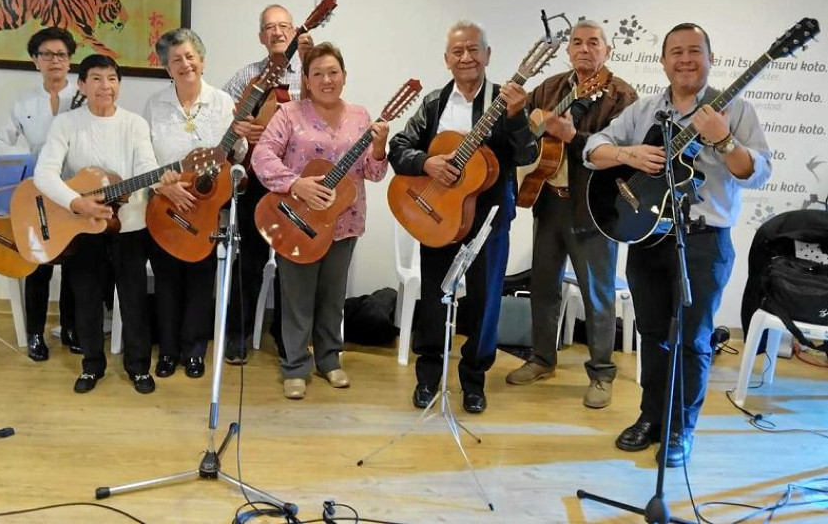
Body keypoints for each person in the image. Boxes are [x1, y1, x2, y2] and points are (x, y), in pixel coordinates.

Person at [585, 22, 772, 465]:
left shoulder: (736, 109)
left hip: (704, 242)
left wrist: (722, 139)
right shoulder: (646, 109)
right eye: (676, 52)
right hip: (648, 237)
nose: (685, 59)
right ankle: (650, 417)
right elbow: (593, 148)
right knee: (652, 335)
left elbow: (757, 172)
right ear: (664, 61)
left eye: (695, 51)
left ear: (711, 58)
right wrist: (629, 154)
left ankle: (679, 429)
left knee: (693, 340)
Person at [388, 20, 537, 414]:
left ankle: (474, 379)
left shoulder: (507, 101)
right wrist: (427, 163)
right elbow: (398, 148)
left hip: (489, 219)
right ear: (447, 59)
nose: (466, 57)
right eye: (458, 51)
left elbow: (528, 155)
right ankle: (428, 376)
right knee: (435, 299)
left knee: (486, 301)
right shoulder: (435, 103)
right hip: (437, 214)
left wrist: (519, 118)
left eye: (474, 49)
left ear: (488, 55)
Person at [506, 20, 638, 408]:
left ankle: (601, 373)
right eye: (577, 42)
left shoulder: (622, 97)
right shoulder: (550, 88)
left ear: (608, 50)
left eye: (593, 43)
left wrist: (573, 138)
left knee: (597, 295)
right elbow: (522, 132)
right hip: (548, 201)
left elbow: (624, 155)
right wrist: (521, 120)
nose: (584, 49)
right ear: (567, 51)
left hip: (594, 210)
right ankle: (542, 358)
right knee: (544, 287)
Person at [251, 42, 389, 399]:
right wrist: (296, 184)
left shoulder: (360, 116)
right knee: (296, 296)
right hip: (296, 219)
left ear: (344, 76)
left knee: (332, 296)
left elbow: (373, 173)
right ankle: (295, 365)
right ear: (307, 81)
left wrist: (378, 147)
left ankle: (329, 359)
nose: (327, 79)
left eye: (333, 72)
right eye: (318, 73)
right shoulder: (288, 114)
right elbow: (262, 156)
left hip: (344, 222)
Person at [34, 54, 174, 394]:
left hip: (130, 227)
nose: (105, 86)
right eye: (96, 78)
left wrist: (161, 180)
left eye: (112, 79)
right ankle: (91, 365)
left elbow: (145, 164)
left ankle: (138, 367)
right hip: (82, 227)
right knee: (86, 298)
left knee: (134, 299)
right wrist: (77, 202)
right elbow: (44, 173)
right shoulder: (66, 124)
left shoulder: (135, 124)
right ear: (81, 85)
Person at [143, 28, 242, 379]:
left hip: (207, 206)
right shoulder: (154, 105)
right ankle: (168, 351)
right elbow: (145, 157)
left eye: (190, 57)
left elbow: (237, 156)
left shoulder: (223, 103)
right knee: (167, 280)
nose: (184, 64)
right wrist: (163, 185)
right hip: (166, 205)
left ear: (202, 60)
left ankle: (194, 350)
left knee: (202, 279)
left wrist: (240, 140)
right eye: (175, 60)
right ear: (166, 68)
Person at [221, 5, 308, 365]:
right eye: (269, 27)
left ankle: (287, 336)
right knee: (251, 261)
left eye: (283, 26)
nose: (277, 32)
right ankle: (238, 335)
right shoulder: (247, 77)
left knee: (293, 262)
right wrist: (240, 127)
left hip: (297, 182)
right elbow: (223, 118)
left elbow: (325, 114)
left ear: (294, 31)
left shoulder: (309, 71)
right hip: (256, 179)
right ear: (260, 36)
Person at [0, 26, 82, 361]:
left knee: (74, 264)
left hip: (75, 191)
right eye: (46, 55)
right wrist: (28, 165)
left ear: (70, 61)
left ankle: (71, 328)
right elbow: (0, 142)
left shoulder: (83, 96)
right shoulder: (24, 103)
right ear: (35, 61)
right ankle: (34, 334)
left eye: (61, 54)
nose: (54, 61)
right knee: (38, 264)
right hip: (38, 192)